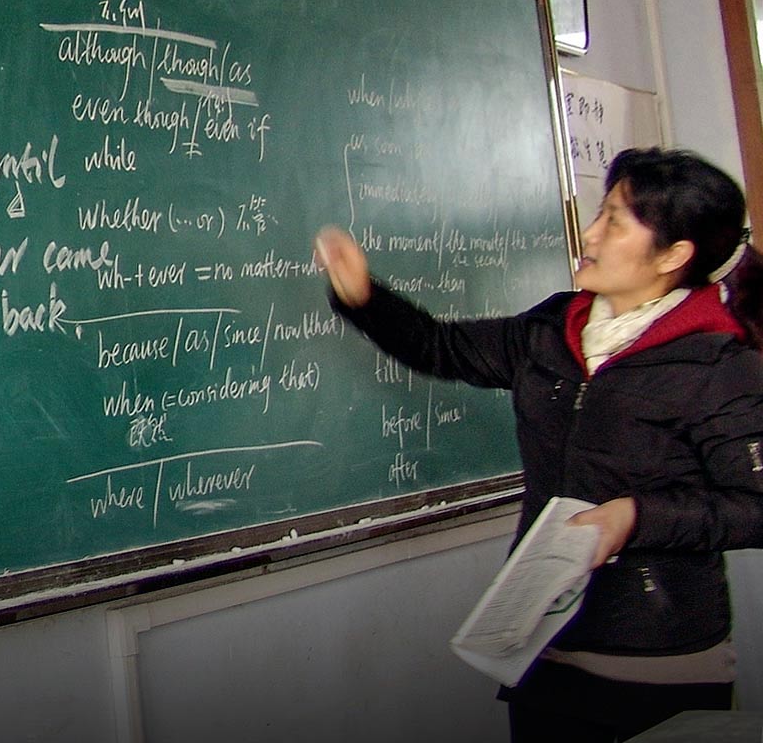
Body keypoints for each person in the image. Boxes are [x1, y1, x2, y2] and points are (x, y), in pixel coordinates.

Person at [314, 147, 763, 742]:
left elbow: (755, 508)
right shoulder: (555, 328)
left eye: (615, 222)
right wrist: (365, 297)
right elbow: (439, 347)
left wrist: (636, 518)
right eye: (599, 213)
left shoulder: (717, 363)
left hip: (659, 659)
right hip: (542, 643)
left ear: (674, 256)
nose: (591, 232)